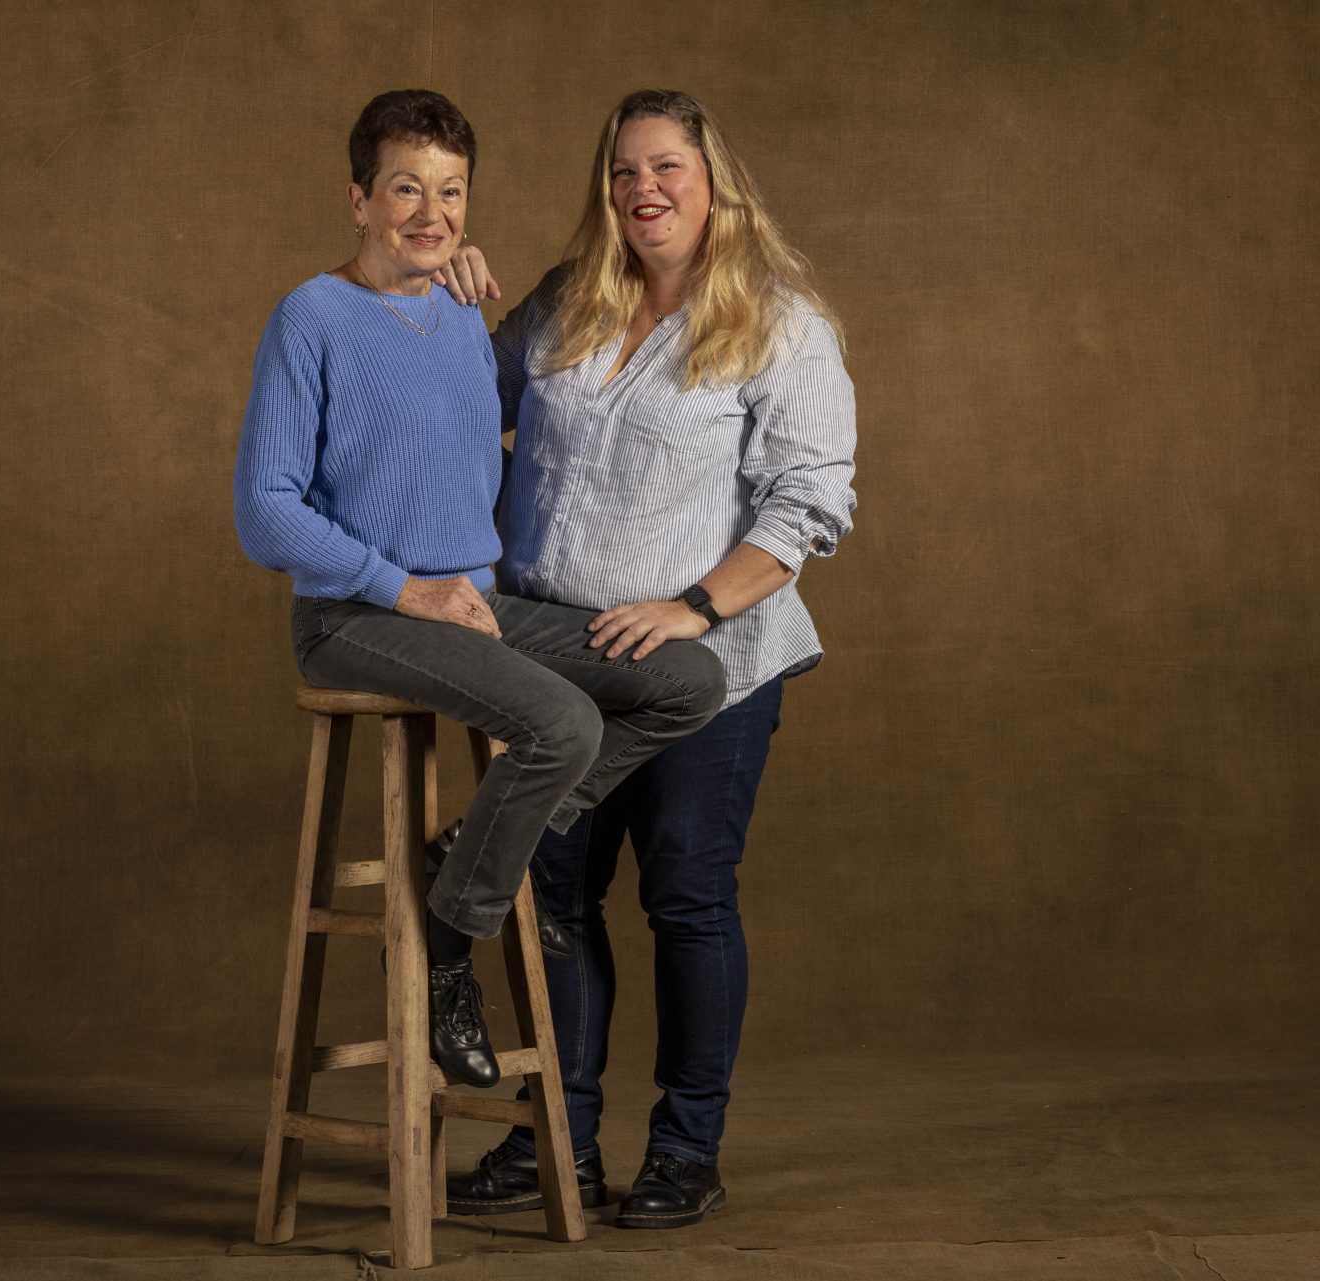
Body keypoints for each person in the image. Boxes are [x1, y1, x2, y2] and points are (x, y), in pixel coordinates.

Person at [233, 90, 726, 1093]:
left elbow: (479, 436)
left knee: (688, 678)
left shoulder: (462, 312)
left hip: (472, 602)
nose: (431, 212)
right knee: (564, 724)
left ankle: (474, 850)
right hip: (354, 615)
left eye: (451, 191)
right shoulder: (310, 317)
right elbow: (263, 512)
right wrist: (405, 590)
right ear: (358, 199)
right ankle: (446, 950)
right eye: (405, 189)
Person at [441, 89, 858, 1227]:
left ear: (713, 180)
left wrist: (692, 607)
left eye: (666, 166)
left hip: (707, 671)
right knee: (553, 897)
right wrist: (438, 295)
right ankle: (556, 1141)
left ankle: (685, 1149)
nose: (644, 189)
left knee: (685, 896)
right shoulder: (566, 300)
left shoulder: (779, 324)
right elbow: (456, 404)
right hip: (553, 657)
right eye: (624, 171)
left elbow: (811, 503)